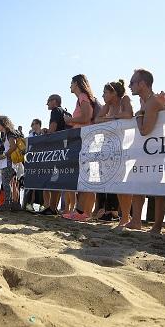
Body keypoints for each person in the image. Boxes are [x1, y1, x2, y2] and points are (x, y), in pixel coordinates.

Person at [125, 69, 165, 232]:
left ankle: (157, 225)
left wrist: (138, 116)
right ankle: (136, 220)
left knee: (158, 188)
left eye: (132, 82)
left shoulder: (152, 101)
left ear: (142, 84)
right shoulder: (145, 101)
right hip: (147, 149)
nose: (129, 86)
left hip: (158, 149)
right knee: (136, 181)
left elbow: (145, 130)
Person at [93, 79, 134, 225]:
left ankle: (125, 215)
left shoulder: (125, 99)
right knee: (114, 182)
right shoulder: (107, 105)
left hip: (123, 145)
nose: (103, 95)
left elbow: (129, 114)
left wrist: (110, 118)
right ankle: (120, 215)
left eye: (105, 92)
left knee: (123, 182)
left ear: (113, 93)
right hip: (109, 146)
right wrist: (110, 119)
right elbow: (96, 119)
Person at [62, 74, 96, 221]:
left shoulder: (82, 96)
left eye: (71, 82)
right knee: (85, 176)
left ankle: (83, 212)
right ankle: (84, 212)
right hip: (83, 138)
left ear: (76, 83)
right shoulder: (81, 98)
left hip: (85, 139)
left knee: (85, 176)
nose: (69, 85)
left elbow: (87, 117)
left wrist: (70, 120)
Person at [38, 94, 69, 216]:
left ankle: (51, 207)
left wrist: (45, 131)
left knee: (52, 178)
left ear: (54, 101)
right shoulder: (65, 112)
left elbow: (53, 130)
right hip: (65, 148)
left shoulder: (56, 111)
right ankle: (53, 207)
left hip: (56, 148)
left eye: (48, 102)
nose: (47, 104)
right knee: (57, 179)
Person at [0, 115, 24, 211]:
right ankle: (14, 204)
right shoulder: (8, 134)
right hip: (12, 162)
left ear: (3, 124)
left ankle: (7, 203)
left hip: (9, 162)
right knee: (13, 183)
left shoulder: (9, 134)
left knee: (6, 183)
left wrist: (4, 155)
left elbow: (13, 146)